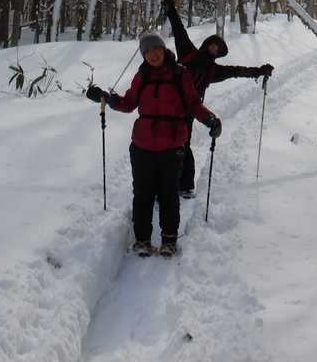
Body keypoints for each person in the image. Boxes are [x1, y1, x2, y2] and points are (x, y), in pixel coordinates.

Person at [86, 33, 220, 258]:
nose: (152, 54)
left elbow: (194, 104)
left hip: (172, 146)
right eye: (147, 51)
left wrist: (210, 120)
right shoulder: (143, 75)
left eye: (155, 49)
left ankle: (169, 241)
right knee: (142, 194)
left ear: (163, 49)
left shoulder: (180, 74)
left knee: (169, 195)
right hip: (142, 146)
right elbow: (128, 103)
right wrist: (105, 98)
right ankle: (142, 241)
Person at [162, 0, 274, 199]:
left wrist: (259, 71)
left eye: (217, 48)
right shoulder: (188, 52)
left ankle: (185, 186)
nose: (213, 49)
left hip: (190, 110)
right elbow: (179, 30)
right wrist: (170, 9)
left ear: (219, 53)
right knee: (163, 145)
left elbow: (237, 71)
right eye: (212, 45)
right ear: (206, 45)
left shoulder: (214, 70)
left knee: (182, 145)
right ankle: (163, 185)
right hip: (168, 105)